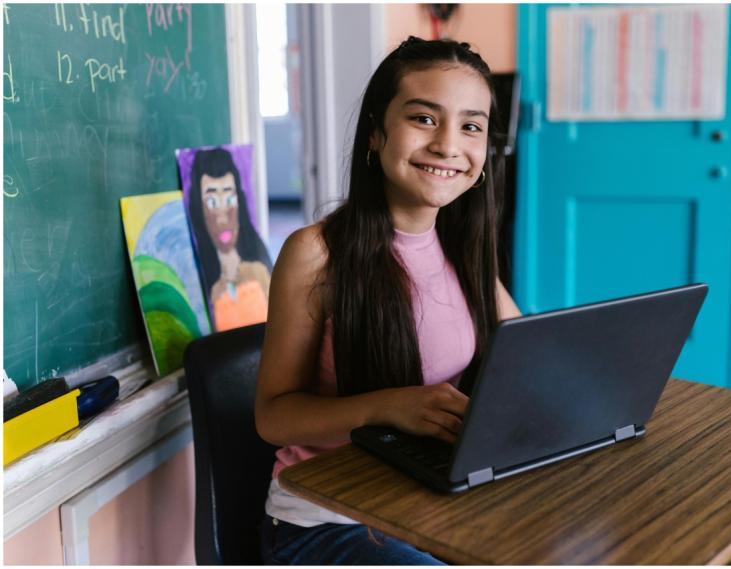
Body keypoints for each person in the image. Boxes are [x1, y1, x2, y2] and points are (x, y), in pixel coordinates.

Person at [255, 37, 522, 565]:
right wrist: (388, 408)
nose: (449, 145)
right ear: (376, 133)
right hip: (324, 522)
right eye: (424, 118)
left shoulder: (464, 245)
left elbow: (528, 360)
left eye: (471, 126)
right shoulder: (315, 253)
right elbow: (273, 417)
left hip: (424, 501)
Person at [187, 147, 273, 332]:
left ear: (239, 201)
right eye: (211, 202)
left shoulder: (259, 272)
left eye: (229, 199)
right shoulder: (209, 288)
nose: (222, 217)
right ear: (198, 209)